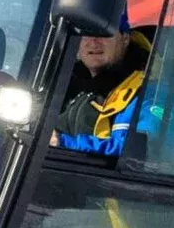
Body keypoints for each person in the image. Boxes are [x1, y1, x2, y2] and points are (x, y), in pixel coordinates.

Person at [50, 11, 157, 156]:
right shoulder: (66, 84)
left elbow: (134, 153)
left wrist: (62, 143)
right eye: (86, 32)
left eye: (104, 33)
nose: (93, 42)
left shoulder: (148, 92)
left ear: (125, 39)